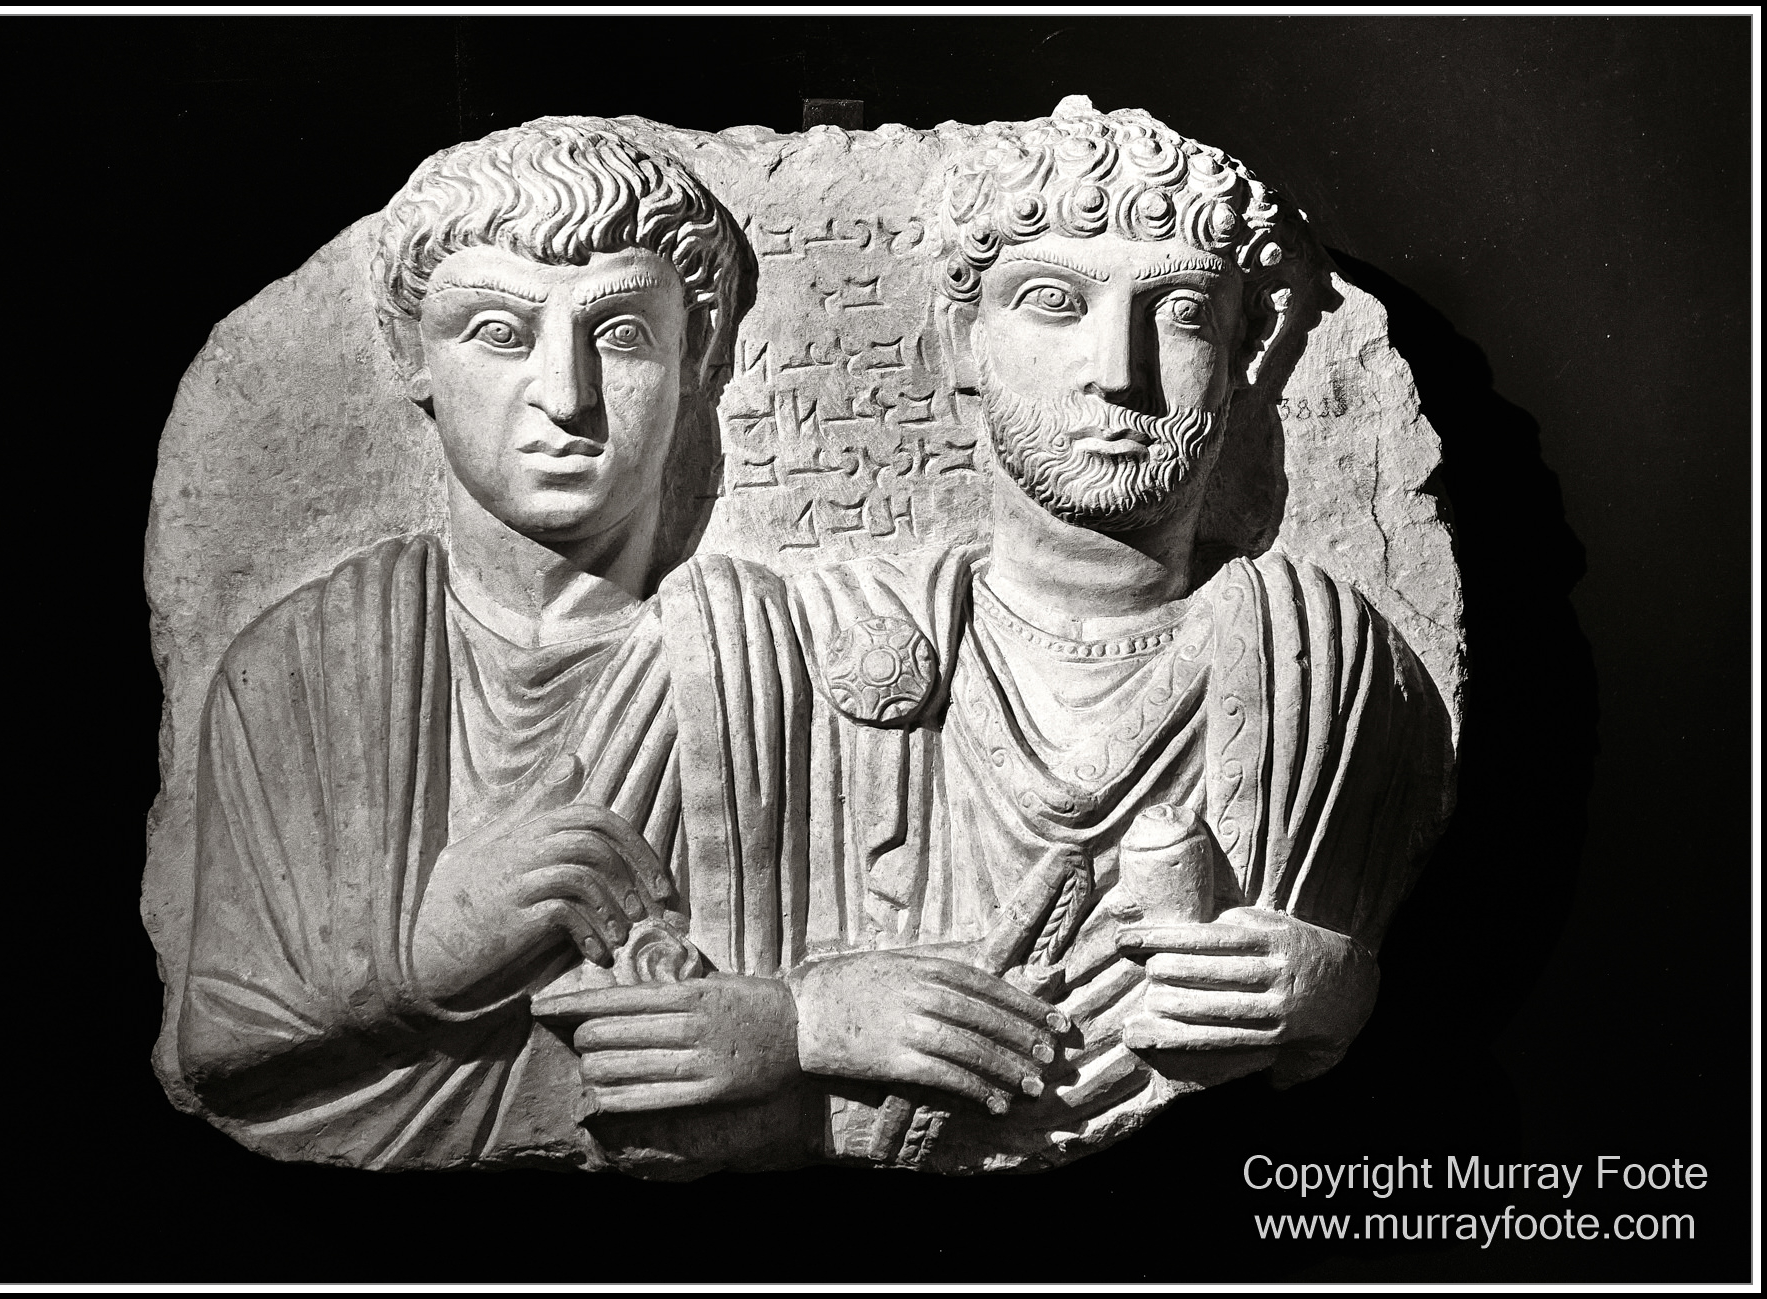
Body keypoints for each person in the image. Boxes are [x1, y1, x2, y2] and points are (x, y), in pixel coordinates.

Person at [552, 100, 1452, 1171]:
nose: (1116, 372)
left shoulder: (1331, 666)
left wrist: (1336, 991)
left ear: (1244, 354)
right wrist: (797, 1024)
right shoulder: (755, 648)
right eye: (1054, 302)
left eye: (1176, 313)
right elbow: (531, 1046)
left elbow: (1350, 953)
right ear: (962, 341)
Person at [175, 118, 1060, 1173]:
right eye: (498, 332)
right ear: (412, 355)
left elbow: (1014, 960)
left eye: (624, 334)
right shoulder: (309, 666)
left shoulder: (794, 656)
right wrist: (417, 963)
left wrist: (802, 1025)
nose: (566, 396)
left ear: (700, 357)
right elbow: (223, 1050)